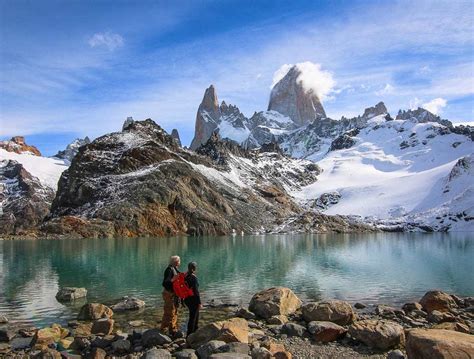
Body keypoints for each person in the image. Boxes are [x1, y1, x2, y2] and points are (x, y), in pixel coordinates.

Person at [161, 255, 181, 336]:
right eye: (179, 261)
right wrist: (174, 279)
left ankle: (172, 328)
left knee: (174, 311)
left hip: (173, 294)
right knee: (169, 312)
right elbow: (165, 283)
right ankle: (166, 329)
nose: (180, 263)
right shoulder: (169, 270)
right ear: (176, 262)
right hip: (169, 294)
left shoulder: (174, 269)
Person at [184, 261, 202, 336]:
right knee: (193, 316)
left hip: (187, 299)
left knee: (194, 315)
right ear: (194, 268)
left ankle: (195, 330)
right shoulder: (193, 278)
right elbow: (196, 291)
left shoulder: (185, 276)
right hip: (193, 299)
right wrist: (199, 302)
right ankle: (190, 334)